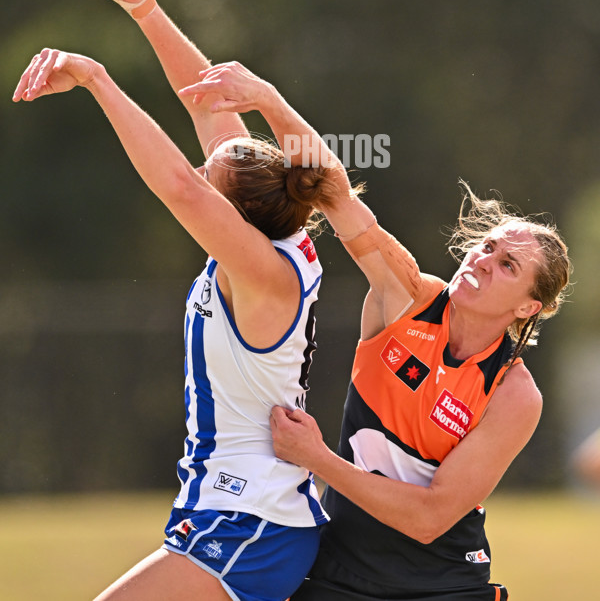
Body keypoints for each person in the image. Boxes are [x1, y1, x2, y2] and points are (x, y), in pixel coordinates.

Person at [12, 0, 350, 601]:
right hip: (233, 513)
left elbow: (177, 188)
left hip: (254, 522)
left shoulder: (264, 272)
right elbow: (204, 105)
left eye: (211, 174)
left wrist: (100, 79)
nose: (201, 168)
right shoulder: (270, 230)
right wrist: (141, 5)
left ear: (234, 212)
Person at [179, 61, 572, 601]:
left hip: (444, 587)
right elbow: (333, 192)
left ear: (529, 306)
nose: (483, 261)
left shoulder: (513, 393)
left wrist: (318, 459)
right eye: (488, 247)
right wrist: (268, 99)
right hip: (339, 574)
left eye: (507, 266)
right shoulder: (412, 300)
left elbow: (431, 517)